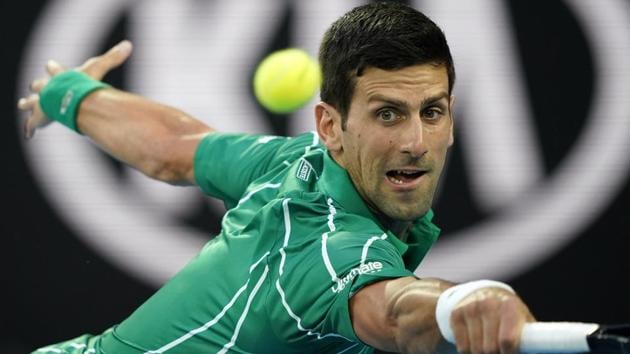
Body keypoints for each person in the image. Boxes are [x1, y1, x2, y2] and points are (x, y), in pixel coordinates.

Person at [19, 3, 534, 354]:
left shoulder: (294, 165)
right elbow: (396, 313)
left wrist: (67, 94)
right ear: (331, 126)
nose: (416, 143)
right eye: (388, 115)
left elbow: (173, 149)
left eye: (432, 112)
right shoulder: (327, 249)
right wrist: (457, 304)